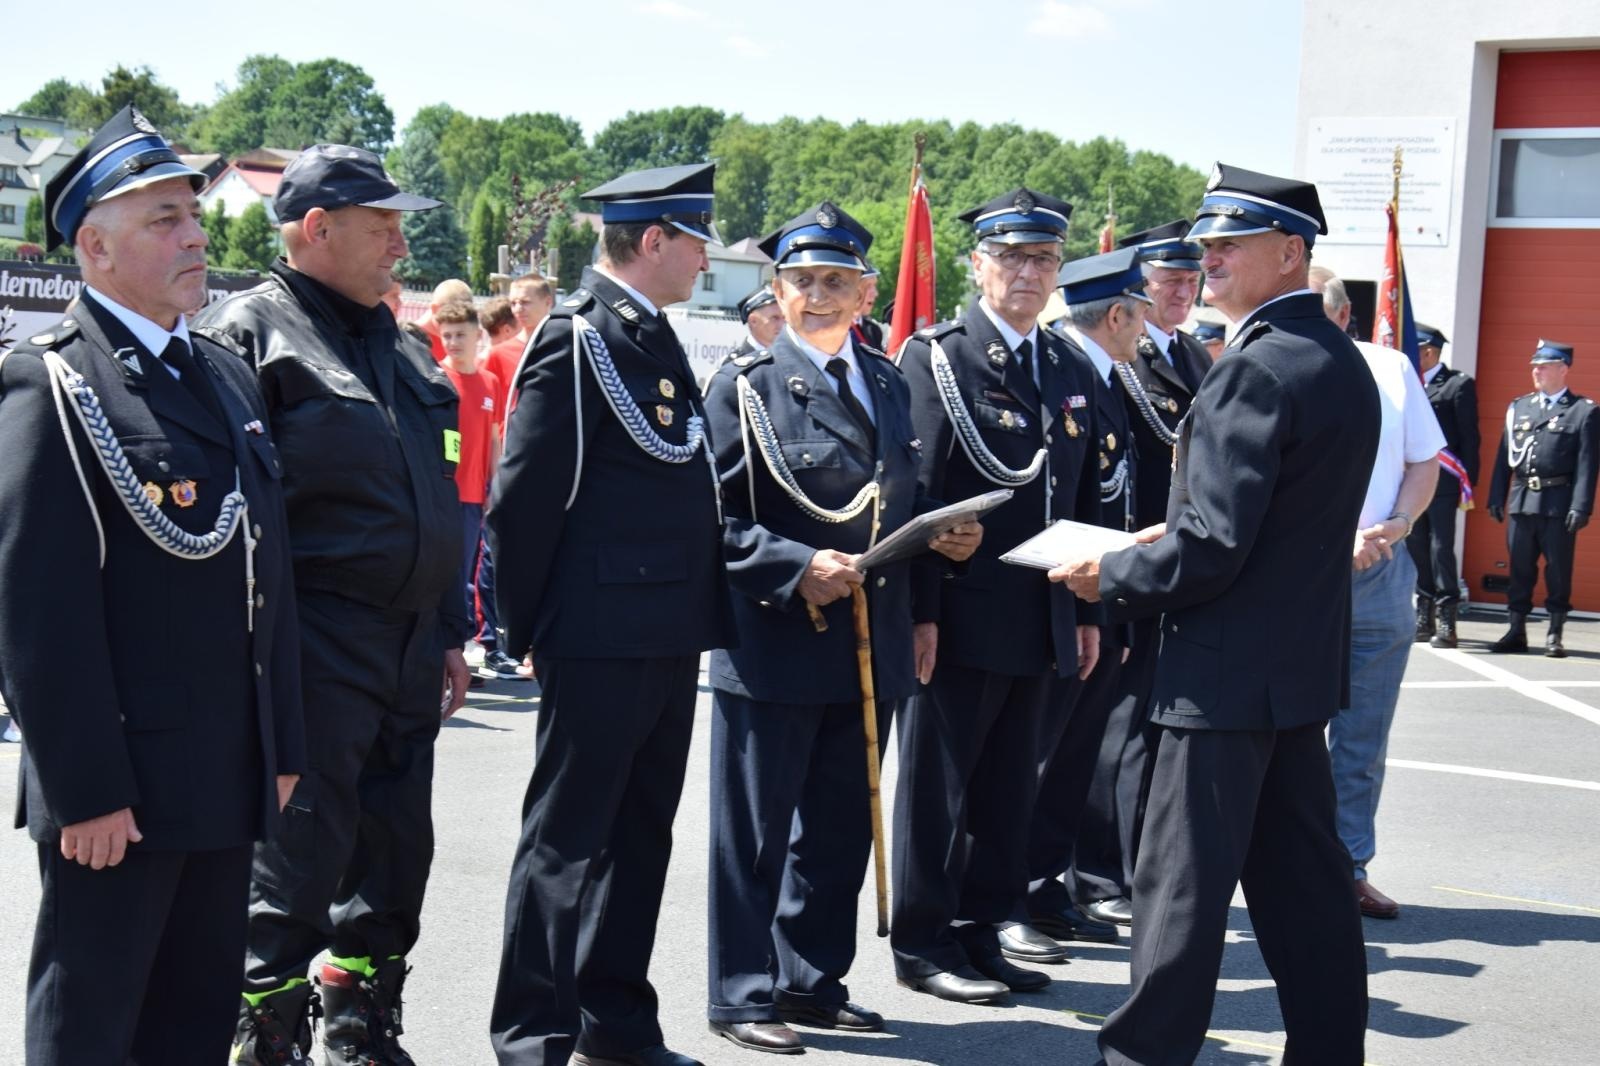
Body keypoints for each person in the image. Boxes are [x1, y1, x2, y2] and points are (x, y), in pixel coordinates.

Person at [1052, 163, 1375, 1066]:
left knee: (1176, 901)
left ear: (1291, 251)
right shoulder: (1336, 358)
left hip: (1221, 680)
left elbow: (1212, 550)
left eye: (1231, 244)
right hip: (1290, 678)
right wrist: (1174, 529)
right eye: (1204, 246)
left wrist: (1111, 571)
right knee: (1307, 892)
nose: (1210, 260)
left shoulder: (1257, 368)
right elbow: (1267, 523)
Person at [0, 105, 303, 1065]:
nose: (196, 234)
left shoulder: (223, 374)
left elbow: (270, 575)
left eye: (193, 214)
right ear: (93, 247)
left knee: (193, 1020)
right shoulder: (51, 383)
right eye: (164, 219)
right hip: (119, 791)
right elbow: (36, 612)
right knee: (92, 1022)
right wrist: (84, 789)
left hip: (226, 766)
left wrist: (280, 741)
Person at [194, 143, 473, 1065]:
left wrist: (444, 634)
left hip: (405, 643)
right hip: (308, 638)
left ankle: (359, 1019)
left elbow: (436, 496)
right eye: (382, 223)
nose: (400, 242)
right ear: (316, 229)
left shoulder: (400, 343)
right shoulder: (246, 335)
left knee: (394, 856)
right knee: (292, 862)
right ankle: (262, 1033)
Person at [700, 202, 980, 1055]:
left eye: (835, 282)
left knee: (839, 827)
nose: (817, 297)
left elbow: (900, 501)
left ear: (866, 292)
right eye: (800, 282)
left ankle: (811, 980)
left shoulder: (888, 382)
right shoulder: (741, 388)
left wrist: (945, 547)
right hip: (780, 639)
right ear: (776, 292)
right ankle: (744, 994)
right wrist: (795, 567)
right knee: (754, 835)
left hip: (875, 636)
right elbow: (714, 522)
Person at [488, 162, 734, 1066]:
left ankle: (615, 1023)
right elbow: (525, 499)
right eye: (696, 236)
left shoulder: (648, 337)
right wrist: (526, 630)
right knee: (564, 846)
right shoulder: (578, 339)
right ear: (655, 239)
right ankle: (531, 1036)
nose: (707, 256)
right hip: (594, 634)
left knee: (638, 842)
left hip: (668, 631)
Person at [893, 188, 1103, 1004]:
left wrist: (1085, 611)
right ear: (977, 264)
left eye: (1042, 259)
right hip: (961, 613)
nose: (1026, 272)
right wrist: (921, 609)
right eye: (1010, 257)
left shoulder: (1067, 363)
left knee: (1008, 794)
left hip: (1041, 611)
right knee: (939, 792)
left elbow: (1083, 499)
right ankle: (922, 939)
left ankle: (983, 930)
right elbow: (915, 498)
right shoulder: (938, 358)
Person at [1068, 221, 1210, 930]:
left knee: (1147, 729)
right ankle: (1096, 873)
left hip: (1174, 565)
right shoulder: (1117, 359)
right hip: (1123, 558)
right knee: (1114, 728)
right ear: (1136, 291)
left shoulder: (1193, 356)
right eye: (1167, 281)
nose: (1182, 292)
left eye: (1192, 280)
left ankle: (1130, 864)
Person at [1020, 249, 1151, 953]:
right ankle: (1021, 889)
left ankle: (1043, 886)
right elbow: (1059, 508)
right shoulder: (1065, 373)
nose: (1143, 333)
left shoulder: (1101, 377)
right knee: (1039, 760)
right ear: (1117, 314)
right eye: (1139, 317)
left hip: (1098, 599)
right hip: (1055, 601)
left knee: (1070, 759)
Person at [1312, 267, 1443, 921]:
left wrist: (1400, 523)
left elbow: (1426, 462)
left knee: (1362, 736)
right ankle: (1268, 867)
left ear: (1340, 317)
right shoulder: (1267, 364)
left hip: (1380, 570)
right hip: (1299, 575)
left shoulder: (1390, 368)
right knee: (1280, 731)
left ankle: (1346, 867)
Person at [1487, 339, 1598, 657]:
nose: (1536, 371)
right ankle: (1516, 630)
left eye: (1544, 366)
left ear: (1563, 369)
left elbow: (1587, 466)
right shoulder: (1519, 407)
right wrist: (1497, 494)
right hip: (1522, 500)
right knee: (1519, 568)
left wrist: (1581, 506)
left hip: (1558, 503)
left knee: (1558, 570)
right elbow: (1503, 457)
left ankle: (1554, 633)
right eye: (1535, 366)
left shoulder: (1583, 411)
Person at [437, 301, 504, 686]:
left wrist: (494, 484)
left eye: (460, 334)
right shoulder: (438, 378)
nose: (452, 342)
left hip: (475, 496)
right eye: (446, 335)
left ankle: (454, 657)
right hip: (448, 493)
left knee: (466, 575)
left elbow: (493, 438)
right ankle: (447, 657)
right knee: (450, 575)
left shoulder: (489, 383)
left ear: (477, 335)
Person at [1407, 323, 1478, 648]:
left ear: (1429, 352)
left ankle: (1447, 618)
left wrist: (1469, 481)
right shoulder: (1412, 384)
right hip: (1412, 479)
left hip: (1445, 481)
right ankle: (1424, 615)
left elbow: (1469, 439)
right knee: (1417, 545)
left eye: (1416, 350)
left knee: (1441, 549)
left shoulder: (1457, 385)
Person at [723, 283, 783, 366]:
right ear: (753, 321)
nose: (782, 324)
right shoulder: (735, 363)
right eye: (774, 318)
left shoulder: (790, 358)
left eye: (784, 318)